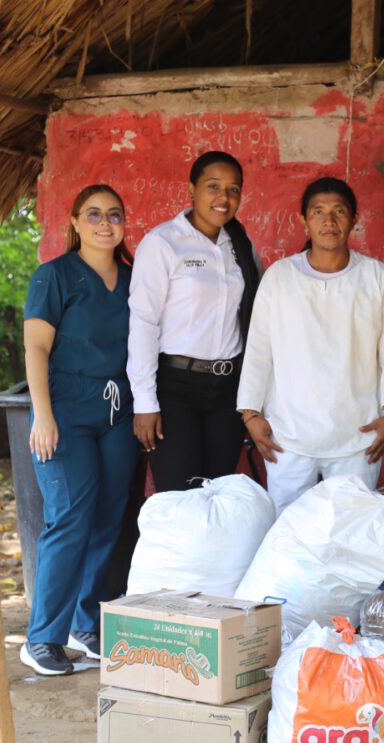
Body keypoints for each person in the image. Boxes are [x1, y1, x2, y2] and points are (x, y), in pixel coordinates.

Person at [21, 184, 138, 676]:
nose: (104, 223)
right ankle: (43, 636)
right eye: (93, 214)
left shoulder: (135, 280)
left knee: (109, 517)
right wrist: (42, 414)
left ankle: (85, 626)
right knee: (69, 517)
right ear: (74, 221)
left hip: (117, 409)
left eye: (114, 214)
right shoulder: (55, 276)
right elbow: (35, 350)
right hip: (65, 407)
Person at [237, 177, 384, 513]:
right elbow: (258, 348)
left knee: (351, 529)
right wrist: (251, 415)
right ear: (304, 220)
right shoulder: (280, 277)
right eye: (318, 212)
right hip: (288, 434)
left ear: (354, 219)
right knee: (287, 532)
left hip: (356, 434)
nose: (329, 221)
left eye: (339, 211)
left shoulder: (376, 277)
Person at [127, 151, 262, 491]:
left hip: (228, 391)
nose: (224, 198)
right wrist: (145, 403)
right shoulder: (163, 243)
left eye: (233, 189)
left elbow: (256, 315)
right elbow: (143, 322)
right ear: (192, 189)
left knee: (216, 493)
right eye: (213, 186)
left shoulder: (241, 246)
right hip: (175, 389)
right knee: (179, 494)